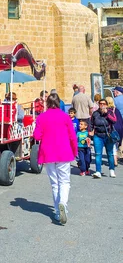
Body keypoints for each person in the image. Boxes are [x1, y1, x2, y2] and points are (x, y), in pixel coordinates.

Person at [33, 93, 78, 225]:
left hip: (48, 153)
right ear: (59, 103)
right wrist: (74, 151)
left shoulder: (42, 117)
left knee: (54, 183)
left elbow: (37, 136)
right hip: (64, 152)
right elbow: (72, 137)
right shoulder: (65, 117)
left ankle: (58, 212)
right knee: (64, 181)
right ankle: (63, 203)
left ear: (47, 103)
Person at [89, 98, 117, 179]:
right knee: (98, 154)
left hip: (108, 135)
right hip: (98, 135)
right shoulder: (95, 113)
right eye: (100, 103)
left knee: (110, 153)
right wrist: (90, 132)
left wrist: (107, 114)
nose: (102, 105)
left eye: (104, 104)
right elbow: (91, 123)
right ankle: (98, 171)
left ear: (107, 105)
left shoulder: (110, 112)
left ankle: (111, 169)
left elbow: (114, 121)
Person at [105, 96, 123, 167]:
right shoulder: (116, 110)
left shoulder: (107, 111)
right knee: (115, 145)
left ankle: (114, 160)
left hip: (111, 128)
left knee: (111, 145)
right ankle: (115, 159)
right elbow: (120, 120)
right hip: (119, 128)